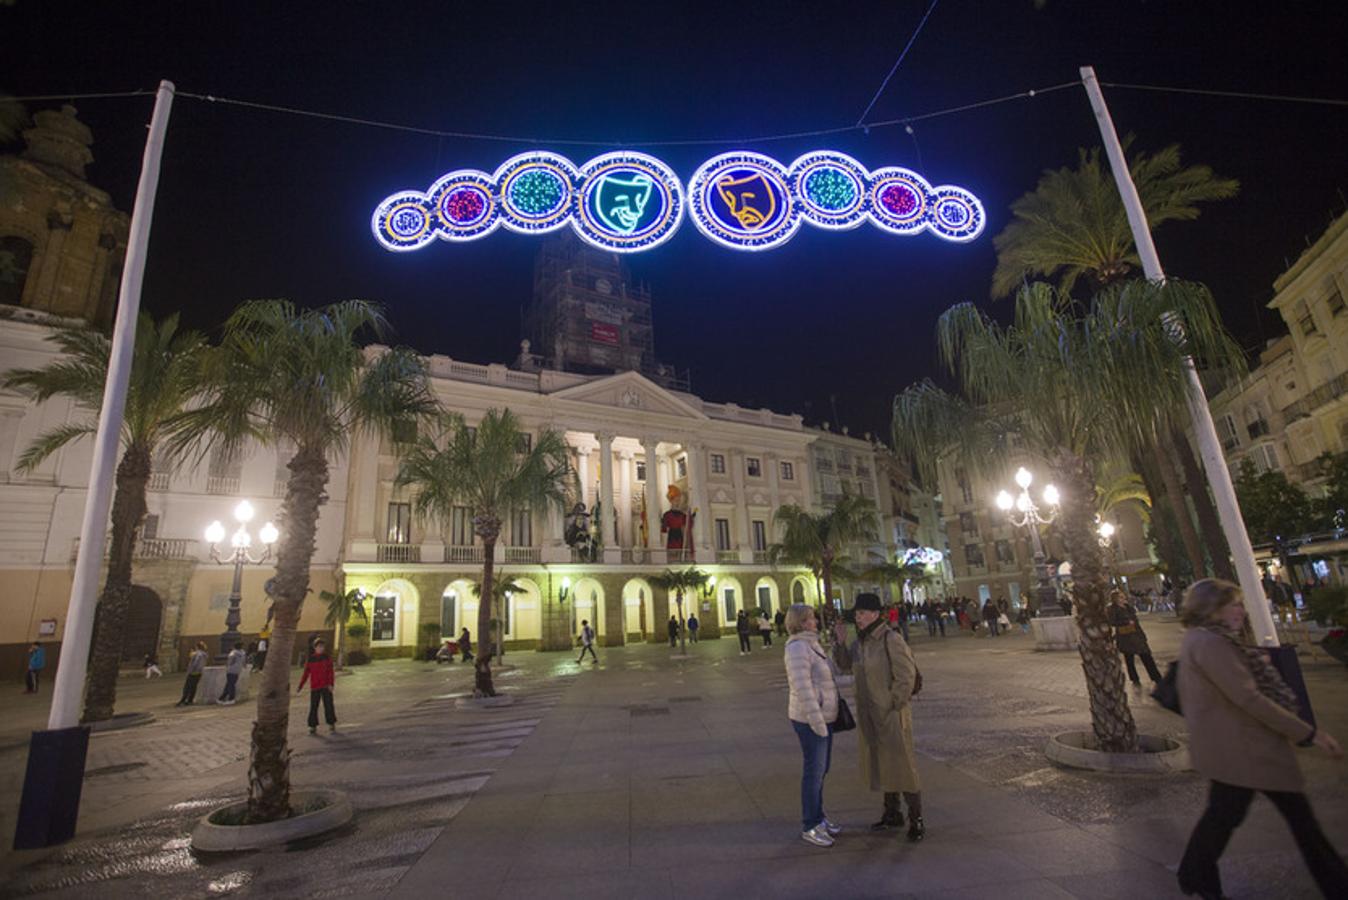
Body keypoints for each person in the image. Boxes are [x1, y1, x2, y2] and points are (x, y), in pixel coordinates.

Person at [1176, 579, 1346, 899]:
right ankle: (1336, 884)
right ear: (1212, 609)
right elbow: (1249, 699)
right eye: (1233, 604)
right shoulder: (1212, 644)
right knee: (1299, 821)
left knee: (1224, 816)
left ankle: (1194, 873)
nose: (1241, 610)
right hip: (1247, 748)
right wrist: (1308, 732)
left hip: (1234, 749)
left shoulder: (1201, 640)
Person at [832, 593, 924, 843]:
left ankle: (915, 818)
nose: (858, 618)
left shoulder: (890, 639)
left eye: (861, 613)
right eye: (857, 614)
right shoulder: (861, 642)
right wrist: (840, 642)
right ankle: (892, 813)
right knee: (883, 763)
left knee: (902, 764)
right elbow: (844, 665)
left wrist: (892, 703)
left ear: (875, 614)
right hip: (869, 714)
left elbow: (906, 676)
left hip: (891, 714)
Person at [784, 602, 842, 848]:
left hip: (822, 718)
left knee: (821, 770)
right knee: (813, 772)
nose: (815, 621)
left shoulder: (812, 644)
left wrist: (838, 644)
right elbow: (803, 687)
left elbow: (832, 674)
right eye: (810, 618)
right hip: (810, 719)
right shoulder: (797, 647)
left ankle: (819, 817)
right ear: (799, 622)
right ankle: (810, 824)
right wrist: (817, 721)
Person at [1108, 590, 1163, 689]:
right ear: (1115, 599)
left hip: (1137, 635)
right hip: (1126, 637)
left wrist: (1142, 635)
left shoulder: (1129, 607)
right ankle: (1134, 678)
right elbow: (1112, 622)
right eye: (1120, 597)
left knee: (1146, 656)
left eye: (1123, 596)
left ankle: (1156, 677)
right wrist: (1126, 622)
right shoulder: (1113, 609)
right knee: (1129, 658)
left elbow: (1136, 622)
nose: (1123, 598)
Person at [298, 638, 337, 734]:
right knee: (314, 706)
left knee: (328, 705)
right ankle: (312, 726)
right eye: (319, 646)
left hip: (326, 686)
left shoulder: (327, 658)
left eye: (322, 646)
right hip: (315, 687)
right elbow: (306, 673)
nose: (321, 648)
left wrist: (331, 684)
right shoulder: (311, 659)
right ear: (315, 648)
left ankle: (331, 723)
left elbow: (330, 672)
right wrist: (300, 685)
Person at [176, 642, 208, 706]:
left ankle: (184, 699)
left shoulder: (197, 654)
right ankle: (190, 699)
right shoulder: (204, 654)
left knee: (187, 686)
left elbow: (195, 663)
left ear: (197, 647)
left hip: (193, 672)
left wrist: (190, 670)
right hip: (199, 672)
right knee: (193, 686)